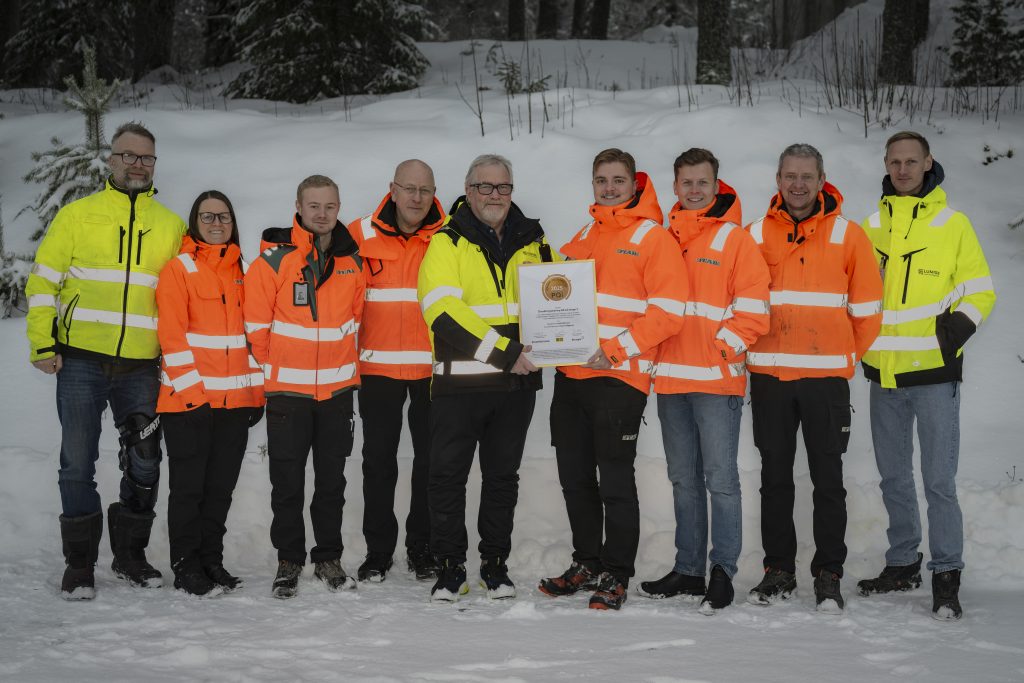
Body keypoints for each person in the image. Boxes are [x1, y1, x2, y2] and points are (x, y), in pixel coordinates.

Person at [25, 121, 186, 600]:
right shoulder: (78, 216)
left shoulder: (171, 225)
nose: (137, 164)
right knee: (77, 460)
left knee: (145, 458)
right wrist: (42, 343)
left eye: (146, 158)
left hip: (141, 365)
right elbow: (43, 283)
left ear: (155, 165)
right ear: (111, 160)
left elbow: (183, 298)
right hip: (80, 362)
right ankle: (79, 565)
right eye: (128, 156)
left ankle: (130, 555)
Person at [537, 148, 687, 611]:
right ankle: (587, 562)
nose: (609, 187)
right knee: (575, 478)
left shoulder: (652, 237)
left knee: (615, 481)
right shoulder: (582, 235)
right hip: (572, 375)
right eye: (601, 180)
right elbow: (556, 302)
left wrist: (617, 350)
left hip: (619, 378)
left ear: (634, 184)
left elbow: (669, 312)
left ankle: (616, 573)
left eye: (618, 180)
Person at [856, 131, 996, 621]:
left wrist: (949, 336)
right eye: (894, 162)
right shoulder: (870, 225)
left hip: (934, 375)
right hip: (883, 376)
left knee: (938, 480)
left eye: (911, 161)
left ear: (928, 163)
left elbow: (981, 292)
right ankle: (902, 563)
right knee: (894, 477)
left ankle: (947, 574)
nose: (902, 170)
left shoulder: (953, 224)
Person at [744, 143, 882, 613]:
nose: (798, 185)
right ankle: (778, 570)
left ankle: (829, 572)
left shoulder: (849, 236)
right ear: (777, 180)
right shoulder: (755, 233)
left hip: (825, 382)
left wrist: (841, 357)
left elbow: (868, 312)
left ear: (822, 179)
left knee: (829, 480)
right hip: (770, 378)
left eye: (807, 176)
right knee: (775, 478)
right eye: (789, 176)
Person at [639, 148, 770, 614]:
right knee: (683, 480)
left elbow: (754, 306)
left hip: (716, 381)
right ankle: (689, 569)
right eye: (686, 183)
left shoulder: (735, 239)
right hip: (671, 380)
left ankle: (722, 571)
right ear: (674, 187)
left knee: (721, 480)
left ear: (717, 186)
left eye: (703, 183)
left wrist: (723, 347)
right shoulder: (661, 237)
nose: (694, 191)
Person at [417, 154, 551, 602]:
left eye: (503, 187)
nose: (495, 196)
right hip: (460, 386)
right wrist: (504, 353)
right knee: (448, 478)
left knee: (501, 479)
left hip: (515, 389)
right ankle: (450, 569)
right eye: (485, 187)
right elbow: (444, 314)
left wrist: (576, 338)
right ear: (468, 190)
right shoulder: (446, 242)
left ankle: (495, 566)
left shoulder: (535, 240)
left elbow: (561, 295)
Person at [243, 175, 365, 599]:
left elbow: (356, 321)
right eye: (313, 205)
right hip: (287, 395)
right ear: (298, 205)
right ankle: (289, 560)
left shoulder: (352, 262)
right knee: (287, 482)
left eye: (329, 206)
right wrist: (277, 368)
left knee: (332, 482)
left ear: (338, 207)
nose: (321, 214)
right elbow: (255, 328)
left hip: (336, 394)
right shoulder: (274, 262)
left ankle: (328, 557)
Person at [156, 191, 266, 596]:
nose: (216, 223)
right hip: (187, 404)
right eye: (207, 216)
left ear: (233, 221)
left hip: (235, 405)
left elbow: (252, 338)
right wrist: (192, 397)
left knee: (220, 488)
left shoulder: (247, 270)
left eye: (223, 216)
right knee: (189, 489)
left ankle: (210, 560)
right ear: (195, 221)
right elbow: (172, 337)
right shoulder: (179, 269)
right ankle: (186, 566)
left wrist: (257, 395)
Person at [346, 160, 446, 582]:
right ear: (392, 188)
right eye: (409, 189)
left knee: (430, 462)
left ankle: (422, 548)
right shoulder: (358, 233)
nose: (416, 198)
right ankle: (378, 552)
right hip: (377, 369)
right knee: (378, 462)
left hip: (431, 369)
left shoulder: (448, 235)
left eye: (424, 190)